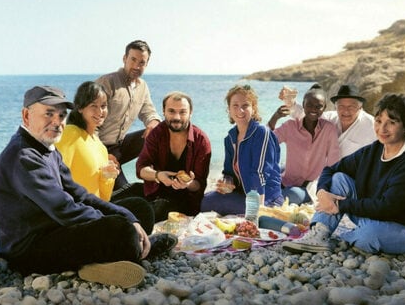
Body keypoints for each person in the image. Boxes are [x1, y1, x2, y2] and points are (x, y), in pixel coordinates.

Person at [0, 85, 176, 288]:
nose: (57, 122)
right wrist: (122, 224)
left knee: (139, 211)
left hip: (54, 227)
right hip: (28, 249)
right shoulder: (23, 156)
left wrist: (128, 217)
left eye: (61, 116)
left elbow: (81, 195)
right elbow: (64, 209)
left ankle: (103, 259)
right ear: (26, 116)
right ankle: (116, 256)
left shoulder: (47, 149)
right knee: (122, 231)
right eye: (48, 114)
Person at [282, 93, 405, 255]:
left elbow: (388, 207)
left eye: (391, 122)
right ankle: (319, 233)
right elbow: (331, 169)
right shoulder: (373, 150)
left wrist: (339, 204)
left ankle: (348, 237)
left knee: (369, 235)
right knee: (339, 178)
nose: (382, 129)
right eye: (378, 121)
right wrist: (322, 193)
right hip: (374, 216)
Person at [201, 85, 284, 215]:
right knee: (205, 201)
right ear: (229, 109)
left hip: (265, 198)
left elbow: (260, 174)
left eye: (245, 105)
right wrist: (227, 184)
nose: (240, 110)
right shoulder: (229, 138)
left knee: (215, 205)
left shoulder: (261, 133)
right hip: (242, 194)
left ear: (253, 108)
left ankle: (261, 213)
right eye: (235, 105)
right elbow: (228, 172)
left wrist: (256, 210)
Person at [136, 91, 211, 221]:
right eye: (171, 111)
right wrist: (158, 175)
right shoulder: (156, 134)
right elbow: (141, 168)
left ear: (190, 113)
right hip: (155, 192)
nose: (177, 117)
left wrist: (187, 183)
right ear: (163, 112)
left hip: (185, 201)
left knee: (154, 210)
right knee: (121, 199)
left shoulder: (201, 141)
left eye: (182, 112)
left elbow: (199, 184)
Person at [96, 40, 161, 189]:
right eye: (133, 59)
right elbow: (88, 122)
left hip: (120, 146)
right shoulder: (107, 82)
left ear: (146, 64)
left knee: (160, 132)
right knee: (124, 192)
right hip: (99, 147)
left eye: (142, 62)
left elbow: (148, 111)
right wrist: (101, 154)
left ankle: (158, 182)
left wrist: (154, 123)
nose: (137, 66)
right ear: (124, 58)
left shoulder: (142, 86)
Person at [267, 85, 340, 204]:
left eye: (318, 106)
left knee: (290, 196)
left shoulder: (329, 129)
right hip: (286, 181)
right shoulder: (290, 126)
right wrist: (275, 117)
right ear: (303, 104)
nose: (313, 109)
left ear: (324, 108)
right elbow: (266, 142)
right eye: (309, 105)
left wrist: (326, 189)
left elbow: (333, 162)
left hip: (309, 187)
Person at [288, 84, 376, 158]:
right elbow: (306, 117)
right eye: (341, 106)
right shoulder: (331, 119)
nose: (346, 111)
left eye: (351, 107)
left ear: (360, 108)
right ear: (336, 107)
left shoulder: (372, 125)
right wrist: (289, 101)